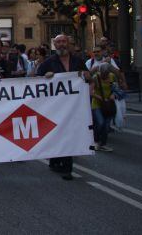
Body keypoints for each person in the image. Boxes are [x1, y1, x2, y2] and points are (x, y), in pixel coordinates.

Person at [36, 34, 89, 181]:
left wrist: (87, 75)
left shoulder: (78, 61)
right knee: (57, 134)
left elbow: (88, 78)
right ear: (54, 45)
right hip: (55, 107)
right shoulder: (48, 63)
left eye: (64, 41)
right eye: (58, 42)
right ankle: (54, 160)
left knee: (68, 135)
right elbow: (36, 81)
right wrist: (45, 77)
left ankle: (67, 168)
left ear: (68, 43)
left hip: (73, 107)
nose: (61, 45)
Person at [90, 63, 117, 152]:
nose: (104, 76)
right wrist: (100, 98)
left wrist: (113, 95)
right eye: (103, 74)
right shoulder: (95, 77)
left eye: (106, 74)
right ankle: (96, 141)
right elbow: (90, 92)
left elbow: (115, 89)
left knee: (106, 126)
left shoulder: (112, 77)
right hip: (97, 104)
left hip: (108, 104)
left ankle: (103, 144)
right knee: (100, 123)